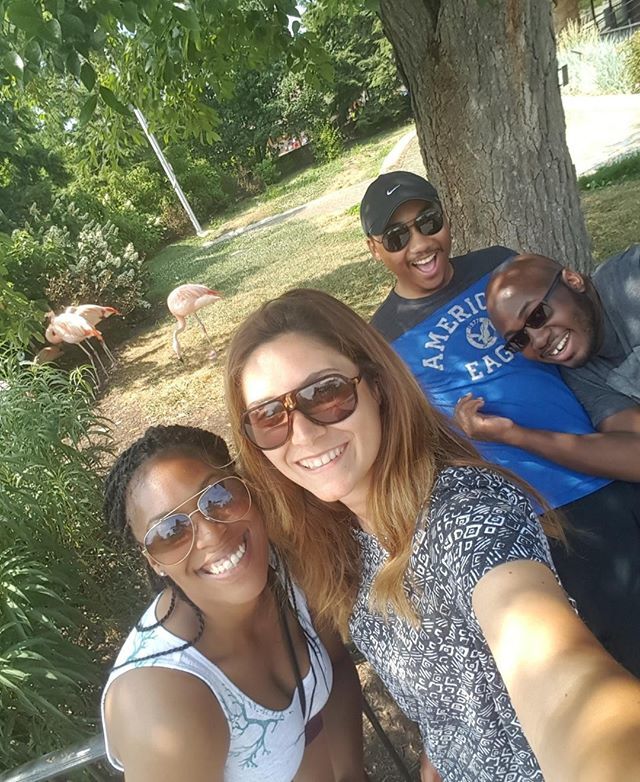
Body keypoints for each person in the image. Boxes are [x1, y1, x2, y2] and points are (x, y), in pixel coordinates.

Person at [224, 288, 640, 782]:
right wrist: (439, 754)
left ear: (376, 386)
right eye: (270, 416)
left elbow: (568, 687)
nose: (305, 434)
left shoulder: (465, 516)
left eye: (326, 393)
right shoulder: (346, 540)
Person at [358, 170, 640, 676]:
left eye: (428, 221)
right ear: (376, 249)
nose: (421, 243)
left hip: (608, 454)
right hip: (544, 509)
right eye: (398, 236)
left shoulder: (498, 265)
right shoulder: (384, 343)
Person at [101, 424, 366, 782]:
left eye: (218, 496)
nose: (212, 535)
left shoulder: (286, 568)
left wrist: (351, 773)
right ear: (154, 561)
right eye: (170, 532)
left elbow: (333, 661)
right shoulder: (163, 704)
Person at [469, 249, 640, 479]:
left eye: (537, 315)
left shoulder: (630, 280)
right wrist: (515, 435)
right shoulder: (580, 373)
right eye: (520, 340)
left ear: (573, 281)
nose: (538, 340)